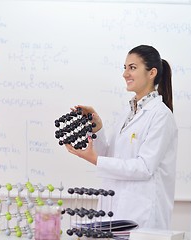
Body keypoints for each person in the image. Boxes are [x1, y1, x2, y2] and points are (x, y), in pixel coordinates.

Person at [65, 45, 178, 229]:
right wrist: (97, 127)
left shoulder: (161, 115)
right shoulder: (128, 111)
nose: (125, 74)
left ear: (152, 73)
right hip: (116, 209)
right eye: (124, 68)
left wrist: (96, 160)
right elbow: (111, 156)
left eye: (132, 68)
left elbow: (144, 167)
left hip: (142, 215)